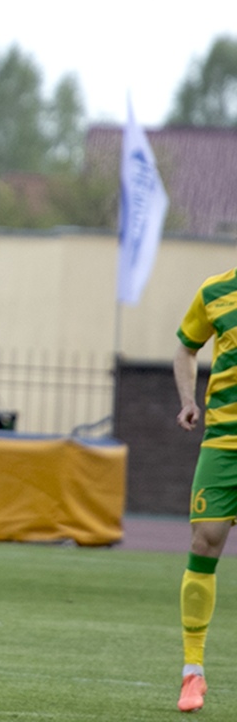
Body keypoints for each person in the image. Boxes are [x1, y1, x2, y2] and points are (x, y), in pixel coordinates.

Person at [172, 265, 237, 713]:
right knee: (204, 542)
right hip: (223, 442)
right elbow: (185, 347)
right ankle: (192, 672)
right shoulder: (216, 291)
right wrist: (187, 400)